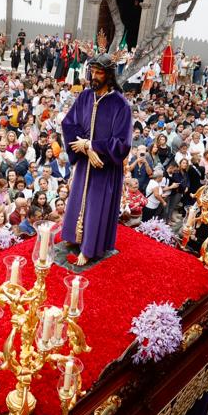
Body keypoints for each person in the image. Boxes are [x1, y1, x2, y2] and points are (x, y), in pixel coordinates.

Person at [60, 54, 133, 265]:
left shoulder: (121, 105)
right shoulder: (84, 96)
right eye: (92, 71)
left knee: (95, 203)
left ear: (109, 75)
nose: (94, 76)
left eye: (99, 72)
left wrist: (92, 146)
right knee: (78, 198)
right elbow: (69, 124)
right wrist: (84, 147)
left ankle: (90, 248)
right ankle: (74, 237)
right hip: (85, 162)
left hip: (104, 167)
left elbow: (122, 143)